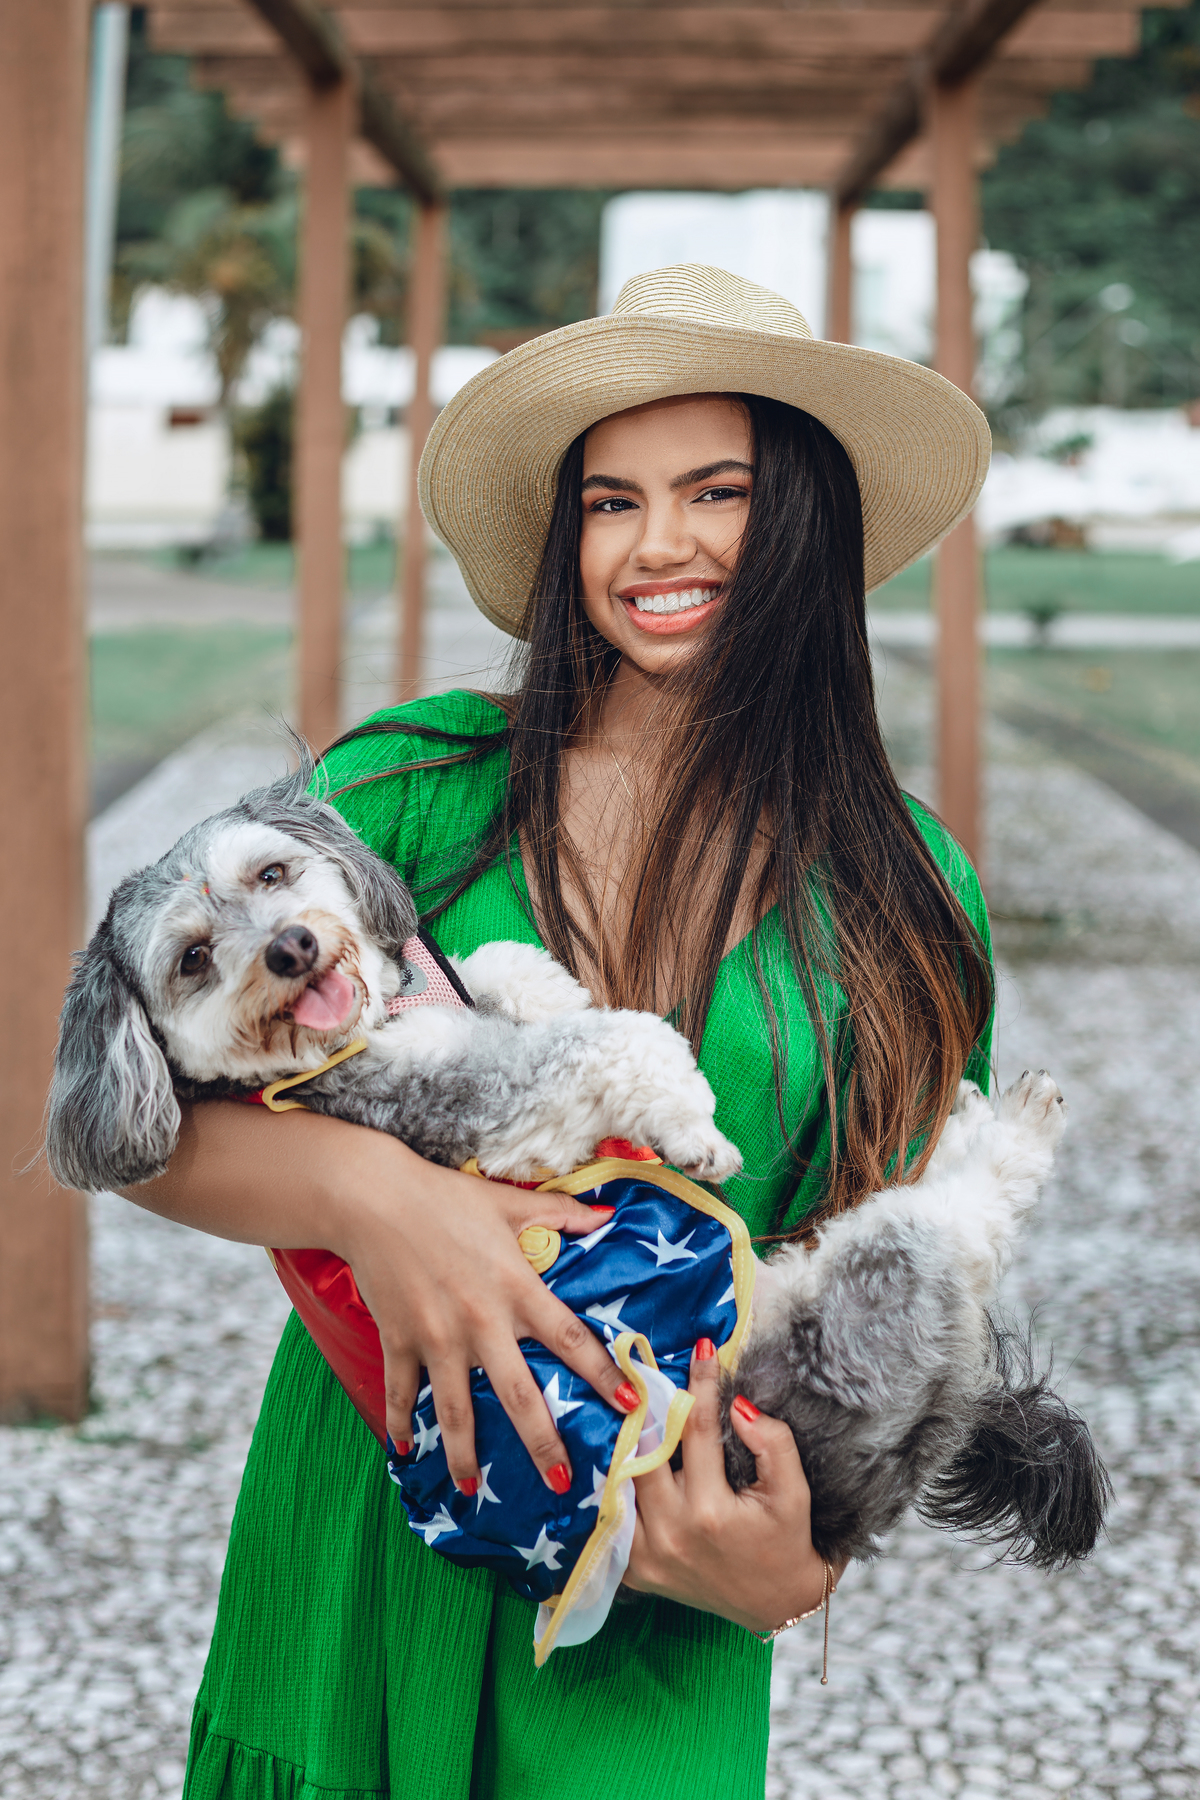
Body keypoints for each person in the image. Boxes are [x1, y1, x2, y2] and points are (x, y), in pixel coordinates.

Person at [132, 265, 994, 1799]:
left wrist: (802, 1568)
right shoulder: (401, 796)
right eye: (611, 502)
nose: (659, 546)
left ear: (800, 513)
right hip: (355, 1550)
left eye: (715, 490)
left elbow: (903, 1280)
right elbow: (138, 1131)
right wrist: (371, 1197)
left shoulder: (913, 897)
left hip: (656, 1601)